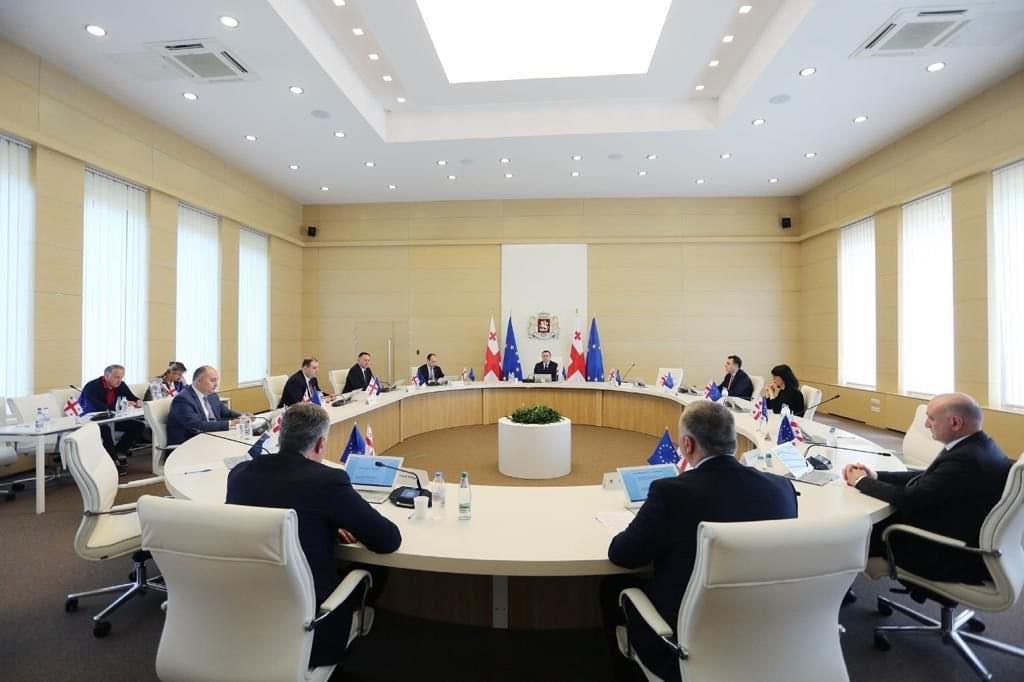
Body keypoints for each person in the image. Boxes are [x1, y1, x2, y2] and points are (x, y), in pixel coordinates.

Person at [602, 401, 798, 682]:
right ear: (733, 439)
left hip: (687, 643)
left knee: (613, 586)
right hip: (765, 636)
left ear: (687, 445)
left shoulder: (671, 493)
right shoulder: (781, 489)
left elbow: (623, 555)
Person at [226, 403, 401, 669]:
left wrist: (328, 522)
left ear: (281, 435)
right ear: (320, 444)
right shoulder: (328, 482)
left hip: (246, 614)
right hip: (310, 626)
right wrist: (336, 518)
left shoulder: (240, 474)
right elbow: (387, 540)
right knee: (374, 568)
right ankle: (353, 623)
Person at [843, 393, 1011, 584]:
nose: (926, 425)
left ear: (955, 422)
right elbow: (928, 478)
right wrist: (877, 476)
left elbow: (910, 499)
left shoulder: (966, 459)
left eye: (931, 418)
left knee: (854, 530)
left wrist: (861, 481)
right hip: (958, 526)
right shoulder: (978, 445)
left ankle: (836, 589)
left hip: (944, 552)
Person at [80, 364, 146, 467]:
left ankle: (119, 451)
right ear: (106, 376)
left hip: (114, 419)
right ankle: (113, 460)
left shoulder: (121, 385)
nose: (119, 380)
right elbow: (97, 407)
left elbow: (132, 397)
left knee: (139, 425)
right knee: (106, 430)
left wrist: (138, 401)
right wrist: (120, 405)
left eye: (121, 377)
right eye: (116, 377)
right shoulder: (92, 386)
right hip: (94, 420)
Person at [166, 365, 243, 446]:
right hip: (189, 444)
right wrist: (230, 423)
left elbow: (225, 412)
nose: (216, 384)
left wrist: (242, 416)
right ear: (199, 381)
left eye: (217, 380)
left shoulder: (211, 395)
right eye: (212, 380)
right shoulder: (183, 399)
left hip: (211, 438)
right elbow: (197, 426)